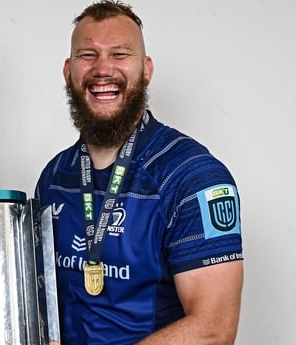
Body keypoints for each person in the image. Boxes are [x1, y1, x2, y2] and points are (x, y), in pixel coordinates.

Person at [34, 1, 243, 344]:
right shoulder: (55, 175)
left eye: (119, 54)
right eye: (88, 55)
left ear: (146, 69)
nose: (103, 69)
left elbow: (214, 329)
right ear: (68, 70)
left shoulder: (193, 177)